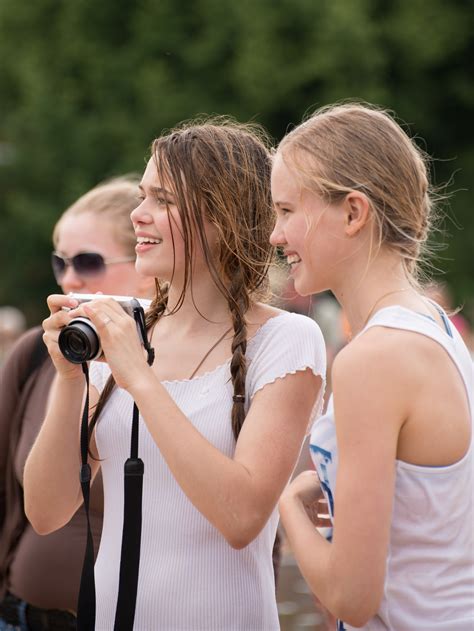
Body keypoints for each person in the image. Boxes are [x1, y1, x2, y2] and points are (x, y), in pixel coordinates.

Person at [23, 119, 326, 630]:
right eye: (142, 197)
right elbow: (47, 511)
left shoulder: (288, 340)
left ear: (221, 216)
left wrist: (139, 377)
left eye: (161, 200)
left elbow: (241, 518)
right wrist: (71, 380)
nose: (138, 216)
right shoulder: (124, 328)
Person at [271, 103, 474, 630]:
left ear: (354, 213)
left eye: (288, 211)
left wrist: (286, 503)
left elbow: (351, 598)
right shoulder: (434, 324)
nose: (275, 236)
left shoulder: (375, 357)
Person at [0, 176, 154, 630]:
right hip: (20, 616)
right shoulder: (34, 353)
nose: (70, 278)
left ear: (147, 257)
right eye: (60, 262)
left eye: (88, 261)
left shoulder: (185, 360)